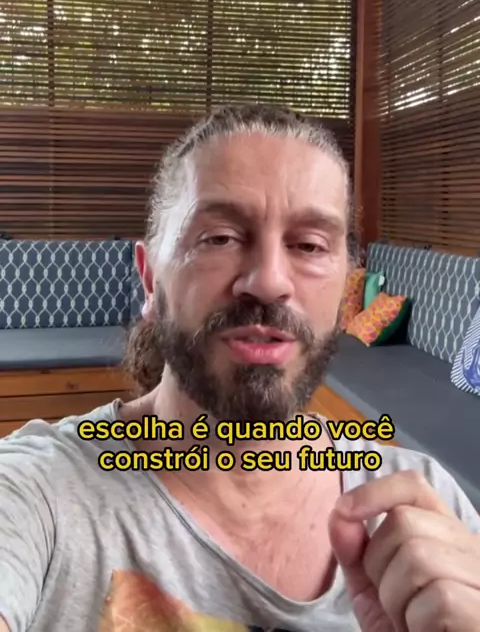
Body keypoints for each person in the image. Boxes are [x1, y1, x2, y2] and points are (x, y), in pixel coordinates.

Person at [1, 104, 479, 632]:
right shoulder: (36, 493)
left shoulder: (430, 511)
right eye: (220, 238)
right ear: (150, 279)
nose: (269, 281)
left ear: (345, 281)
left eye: (310, 245)